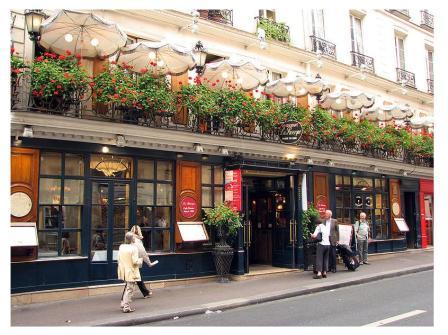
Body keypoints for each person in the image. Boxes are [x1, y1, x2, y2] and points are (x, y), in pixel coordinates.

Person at [118, 232, 143, 313]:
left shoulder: (121, 247)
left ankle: (123, 303)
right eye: (134, 237)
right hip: (131, 271)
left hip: (124, 270)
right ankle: (126, 307)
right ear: (132, 239)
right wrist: (141, 260)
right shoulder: (134, 248)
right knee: (130, 289)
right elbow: (135, 261)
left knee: (128, 288)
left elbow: (119, 259)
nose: (135, 239)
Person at [130, 225, 157, 298]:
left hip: (129, 262)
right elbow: (143, 253)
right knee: (134, 279)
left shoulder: (129, 238)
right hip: (135, 262)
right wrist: (149, 263)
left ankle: (145, 293)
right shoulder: (137, 241)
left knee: (136, 278)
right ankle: (125, 298)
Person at [311, 210, 339, 279]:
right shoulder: (325, 227)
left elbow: (314, 236)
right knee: (326, 258)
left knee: (319, 258)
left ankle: (319, 274)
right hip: (328, 244)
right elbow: (328, 234)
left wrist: (311, 235)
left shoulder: (319, 227)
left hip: (322, 244)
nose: (325, 215)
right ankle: (325, 273)